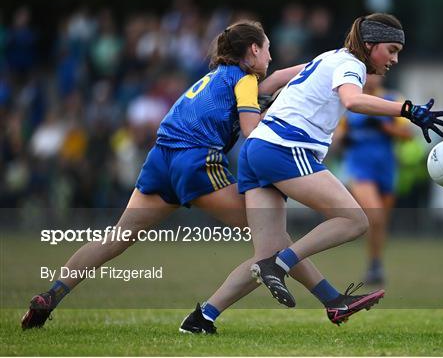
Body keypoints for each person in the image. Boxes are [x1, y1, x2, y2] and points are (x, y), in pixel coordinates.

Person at [20, 21, 323, 330]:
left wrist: (324, 62)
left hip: (160, 159)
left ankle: (51, 295)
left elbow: (275, 80)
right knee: (272, 239)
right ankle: (330, 299)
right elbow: (250, 131)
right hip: (194, 161)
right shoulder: (244, 81)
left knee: (116, 239)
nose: (271, 57)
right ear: (254, 50)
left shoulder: (216, 77)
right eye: (268, 49)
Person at [180, 13, 443, 333]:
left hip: (256, 150)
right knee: (355, 220)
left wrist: (260, 101)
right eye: (391, 49)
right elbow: (352, 101)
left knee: (267, 250)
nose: (394, 58)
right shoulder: (352, 65)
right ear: (369, 45)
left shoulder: (330, 57)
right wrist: (407, 110)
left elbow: (277, 76)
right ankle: (280, 265)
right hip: (285, 148)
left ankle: (202, 318)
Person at [336, 74, 412, 285]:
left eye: (375, 75)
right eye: (368, 74)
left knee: (380, 223)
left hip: (386, 168)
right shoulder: (351, 100)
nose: (371, 79)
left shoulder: (391, 99)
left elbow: (408, 135)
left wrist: (384, 128)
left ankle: (374, 264)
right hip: (360, 168)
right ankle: (374, 264)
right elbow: (336, 138)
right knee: (375, 215)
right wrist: (346, 136)